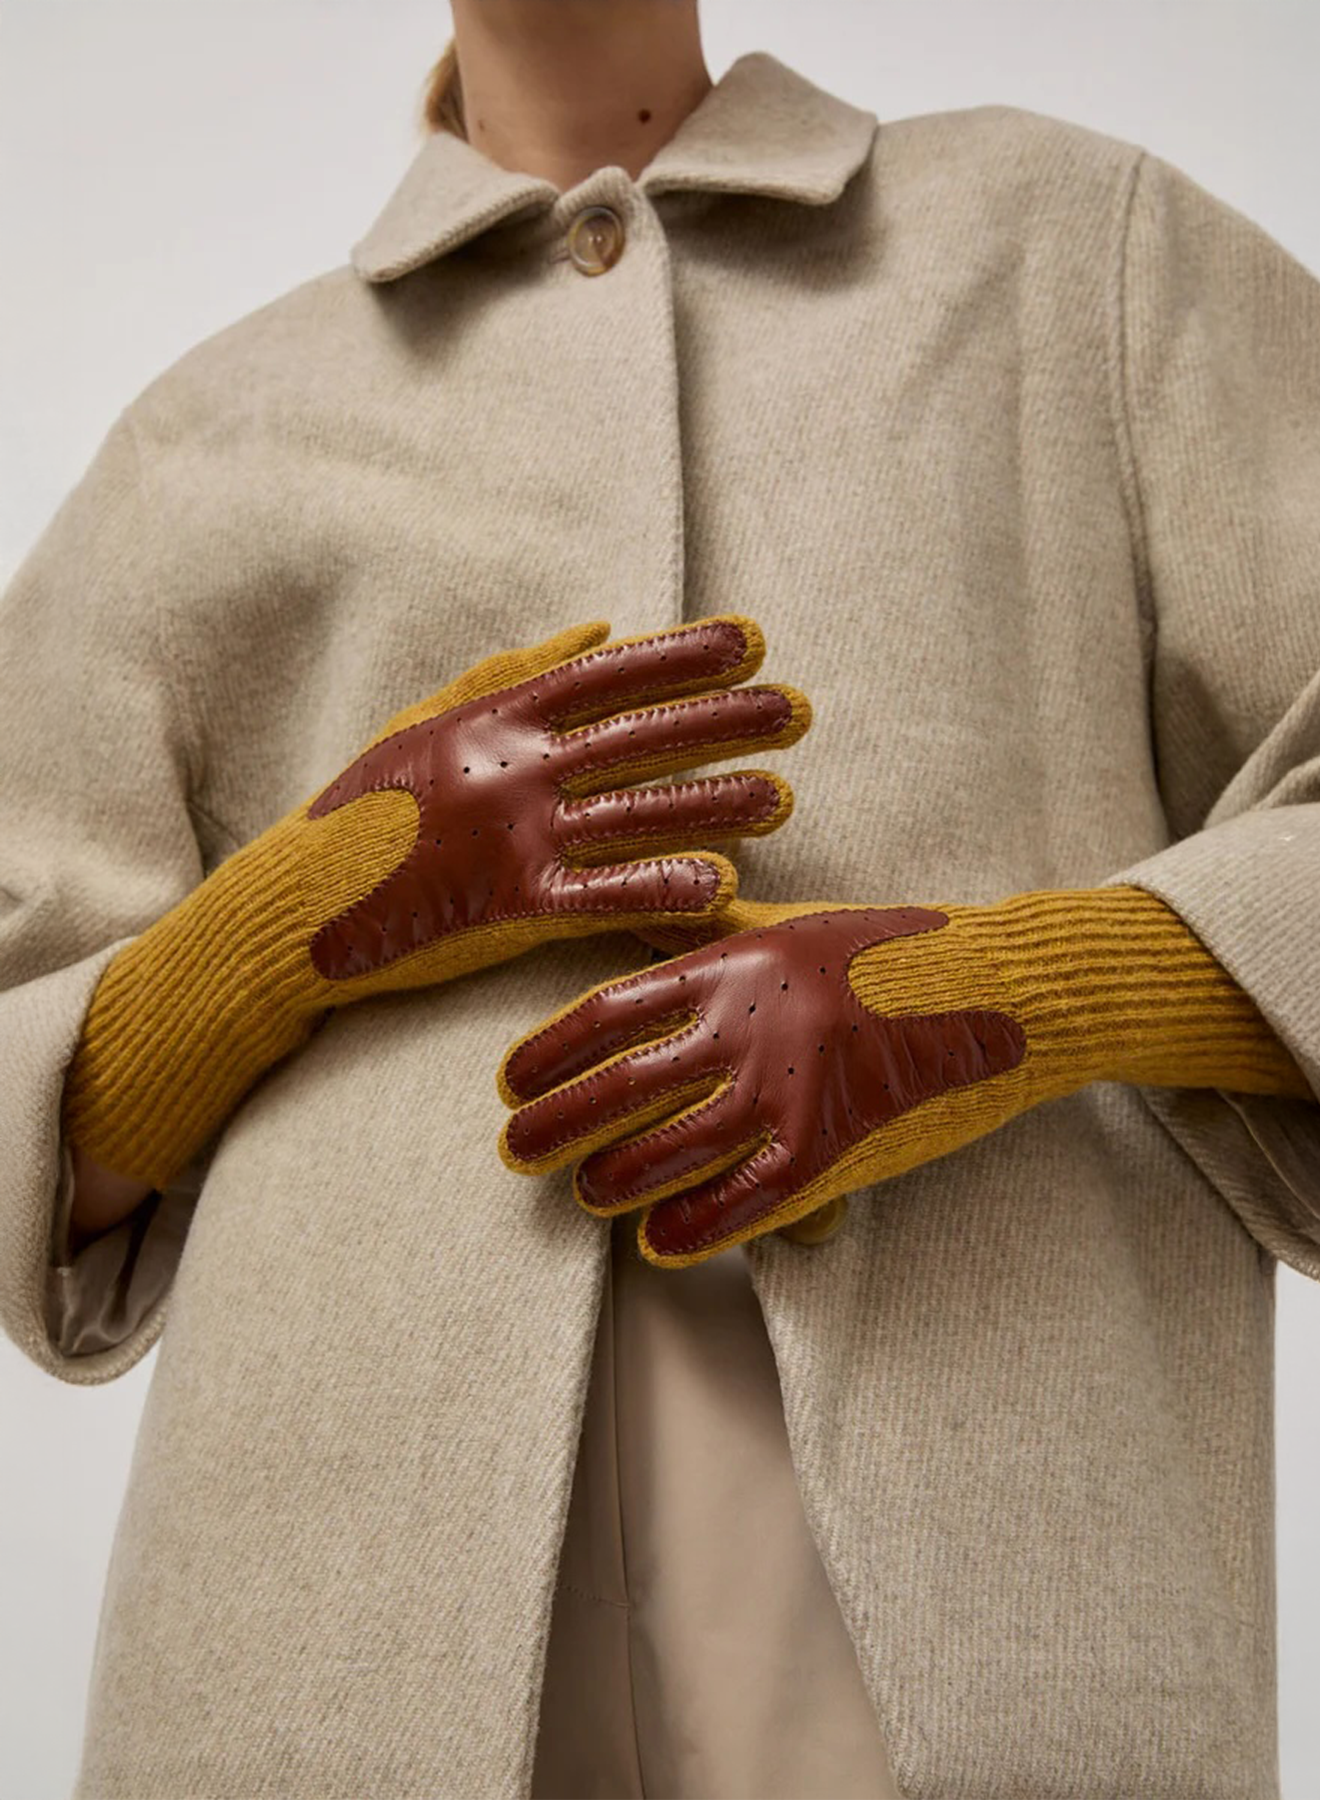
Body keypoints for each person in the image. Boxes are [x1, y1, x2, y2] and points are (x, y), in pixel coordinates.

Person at [2, 2, 1319, 1795]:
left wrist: (1015, 996)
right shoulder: (206, 436)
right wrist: (296, 915)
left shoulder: (1076, 258)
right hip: (318, 1642)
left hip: (985, 1588)